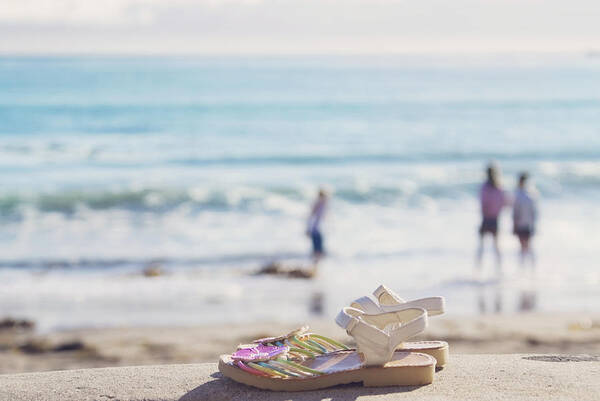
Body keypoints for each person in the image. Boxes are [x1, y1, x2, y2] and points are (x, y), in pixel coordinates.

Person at [476, 163, 507, 272]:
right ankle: (499, 268)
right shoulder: (499, 187)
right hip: (495, 219)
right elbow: (504, 203)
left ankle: (478, 269)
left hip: (486, 218)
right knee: (496, 246)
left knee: (481, 246)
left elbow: (482, 203)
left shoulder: (485, 187)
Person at [513, 172, 538, 268]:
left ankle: (523, 268)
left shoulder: (519, 195)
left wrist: (514, 225)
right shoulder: (532, 194)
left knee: (523, 247)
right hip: (528, 224)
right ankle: (531, 268)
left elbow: (516, 213)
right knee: (528, 246)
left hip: (521, 224)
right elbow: (534, 213)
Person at [307, 188, 328, 265]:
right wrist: (308, 229)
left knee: (319, 251)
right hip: (315, 229)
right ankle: (315, 267)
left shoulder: (323, 204)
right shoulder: (318, 204)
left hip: (318, 229)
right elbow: (311, 218)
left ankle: (316, 267)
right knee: (317, 251)